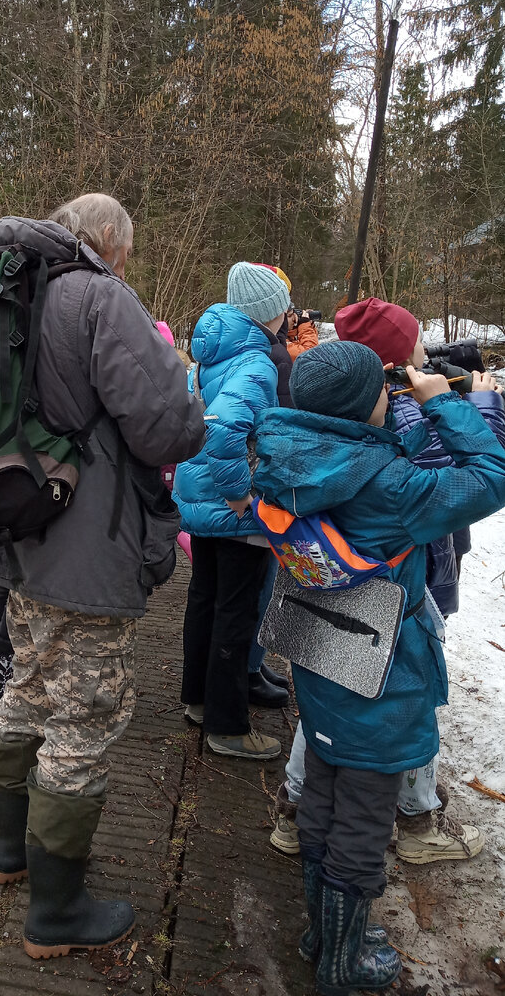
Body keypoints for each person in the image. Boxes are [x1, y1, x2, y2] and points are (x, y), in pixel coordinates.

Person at [0, 194, 205, 960]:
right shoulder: (99, 297)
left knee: (26, 686)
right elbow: (169, 426)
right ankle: (55, 913)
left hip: (14, 531)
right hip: (87, 540)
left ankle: (12, 853)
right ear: (108, 242)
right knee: (84, 715)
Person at [253, 341, 505, 994]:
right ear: (369, 406)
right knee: (363, 820)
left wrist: (387, 404)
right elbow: (491, 474)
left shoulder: (288, 454)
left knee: (325, 795)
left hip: (319, 648)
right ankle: (341, 965)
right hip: (379, 666)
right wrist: (446, 403)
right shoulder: (391, 487)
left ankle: (321, 933)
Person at [172, 261, 292, 758]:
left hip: (199, 501)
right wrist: (241, 494)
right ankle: (228, 724)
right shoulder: (256, 361)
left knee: (205, 598)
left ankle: (198, 698)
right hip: (234, 510)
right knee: (236, 611)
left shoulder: (213, 352)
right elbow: (224, 430)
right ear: (270, 313)